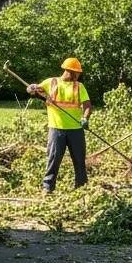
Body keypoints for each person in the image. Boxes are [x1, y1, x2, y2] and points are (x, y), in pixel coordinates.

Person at [27, 57, 92, 194]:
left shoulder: (79, 86)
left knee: (79, 160)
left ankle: (81, 187)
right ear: (69, 71)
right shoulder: (51, 82)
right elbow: (33, 90)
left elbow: (87, 105)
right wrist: (31, 88)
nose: (78, 75)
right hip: (56, 129)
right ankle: (48, 187)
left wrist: (85, 118)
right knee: (53, 159)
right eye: (77, 72)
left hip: (76, 130)